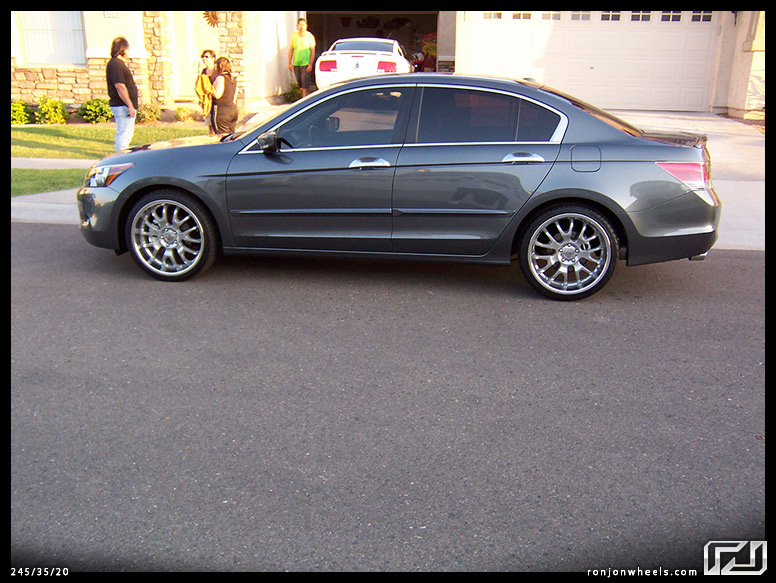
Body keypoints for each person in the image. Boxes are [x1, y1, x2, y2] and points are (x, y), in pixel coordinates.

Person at [105, 36, 138, 151]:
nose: (128, 52)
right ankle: (120, 158)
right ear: (123, 50)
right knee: (124, 135)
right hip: (122, 106)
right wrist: (130, 105)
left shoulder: (117, 64)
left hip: (124, 105)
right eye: (127, 49)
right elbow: (120, 86)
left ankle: (121, 155)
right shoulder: (116, 64)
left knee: (126, 135)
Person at [288, 17, 316, 97]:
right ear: (297, 25)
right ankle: (306, 96)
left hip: (306, 63)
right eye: (300, 24)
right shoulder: (293, 36)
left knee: (305, 82)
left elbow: (312, 51)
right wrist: (289, 62)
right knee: (300, 84)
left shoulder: (310, 36)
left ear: (306, 26)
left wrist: (310, 64)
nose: (302, 26)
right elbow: (290, 50)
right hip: (296, 63)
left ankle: (303, 99)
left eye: (303, 25)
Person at [211, 56, 238, 135]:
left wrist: (210, 89)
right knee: (232, 136)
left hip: (222, 111)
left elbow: (218, 95)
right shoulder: (233, 79)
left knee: (223, 136)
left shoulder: (220, 78)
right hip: (233, 109)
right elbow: (234, 97)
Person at [195, 49, 217, 135]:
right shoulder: (203, 71)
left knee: (216, 125)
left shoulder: (216, 71)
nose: (204, 59)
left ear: (213, 58)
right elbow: (198, 85)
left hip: (216, 100)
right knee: (210, 125)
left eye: (207, 57)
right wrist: (199, 73)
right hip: (208, 101)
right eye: (203, 57)